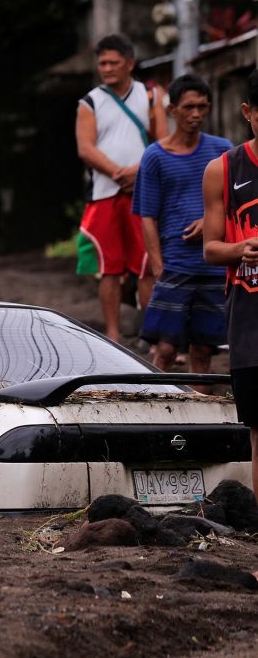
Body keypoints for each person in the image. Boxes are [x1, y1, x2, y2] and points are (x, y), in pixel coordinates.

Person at [133, 74, 231, 388]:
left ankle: (200, 421)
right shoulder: (155, 156)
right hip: (175, 266)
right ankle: (158, 412)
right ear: (173, 110)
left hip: (214, 266)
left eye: (202, 107)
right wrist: (159, 267)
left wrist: (210, 221)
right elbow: (147, 216)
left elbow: (237, 204)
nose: (196, 114)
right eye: (189, 107)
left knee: (204, 350)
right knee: (164, 348)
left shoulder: (223, 151)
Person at [76, 34, 166, 341]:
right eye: (102, 63)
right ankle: (113, 335)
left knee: (146, 265)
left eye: (114, 62)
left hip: (144, 193)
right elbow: (85, 149)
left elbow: (163, 143)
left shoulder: (152, 96)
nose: (107, 68)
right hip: (104, 193)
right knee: (109, 267)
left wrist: (138, 171)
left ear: (130, 63)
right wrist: (118, 172)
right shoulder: (90, 102)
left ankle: (149, 334)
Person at [203, 68, 258, 504]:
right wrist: (242, 249)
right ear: (247, 112)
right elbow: (211, 248)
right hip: (250, 323)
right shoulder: (223, 169)